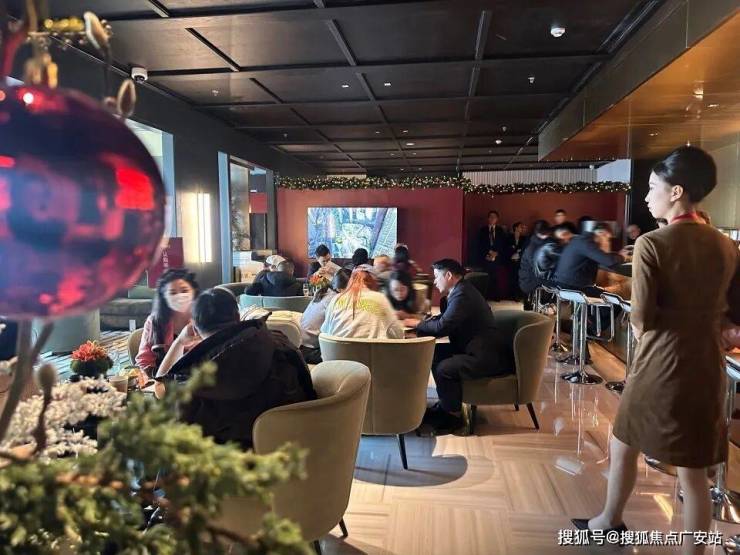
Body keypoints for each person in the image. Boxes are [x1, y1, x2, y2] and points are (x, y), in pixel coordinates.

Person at [573, 146, 740, 555]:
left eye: (652, 188)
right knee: (693, 472)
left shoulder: (652, 243)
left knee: (624, 440)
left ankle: (609, 521)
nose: (647, 197)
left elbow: (642, 316)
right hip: (706, 365)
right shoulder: (726, 245)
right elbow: (732, 314)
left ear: (676, 191)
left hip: (660, 363)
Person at [155, 288, 316, 449]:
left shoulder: (192, 377)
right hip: (291, 447)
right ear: (238, 317)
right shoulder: (279, 343)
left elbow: (159, 387)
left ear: (195, 329)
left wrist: (180, 341)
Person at [404, 259, 513, 434]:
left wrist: (418, 325)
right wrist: (419, 328)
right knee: (434, 353)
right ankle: (447, 405)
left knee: (444, 368)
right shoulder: (460, 291)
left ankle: (453, 417)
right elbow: (444, 320)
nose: (434, 281)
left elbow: (443, 327)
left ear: (448, 275)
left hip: (486, 357)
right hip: (473, 349)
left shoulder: (463, 294)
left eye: (436, 277)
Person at [136, 268, 200, 377]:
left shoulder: (203, 319)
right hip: (163, 381)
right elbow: (144, 362)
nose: (180, 296)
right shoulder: (155, 322)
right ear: (164, 297)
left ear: (194, 292)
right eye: (173, 293)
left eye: (184, 290)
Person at [321, 265, 404, 339]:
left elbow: (325, 331)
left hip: (337, 351)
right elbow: (398, 334)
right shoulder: (380, 298)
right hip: (374, 352)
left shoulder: (336, 299)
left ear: (350, 282)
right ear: (372, 283)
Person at [552, 222, 626, 296]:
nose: (608, 242)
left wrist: (617, 255)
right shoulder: (586, 242)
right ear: (602, 234)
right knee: (612, 298)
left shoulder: (581, 239)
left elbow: (601, 256)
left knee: (607, 294)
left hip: (565, 284)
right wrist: (622, 257)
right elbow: (609, 261)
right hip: (573, 287)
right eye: (608, 239)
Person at [299, 268, 351, 364]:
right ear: (342, 288)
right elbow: (337, 329)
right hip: (312, 350)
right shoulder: (336, 299)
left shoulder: (325, 291)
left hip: (301, 344)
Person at [518, 220, 552, 310]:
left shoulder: (541, 242)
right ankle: (547, 307)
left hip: (533, 276)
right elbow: (538, 267)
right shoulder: (532, 247)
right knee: (557, 282)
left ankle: (548, 306)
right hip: (529, 279)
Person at [477, 210, 509, 300]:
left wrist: (496, 253)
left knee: (496, 277)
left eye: (494, 217)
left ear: (497, 219)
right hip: (485, 258)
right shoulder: (483, 230)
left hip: (497, 258)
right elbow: (479, 244)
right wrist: (486, 254)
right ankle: (485, 296)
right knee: (485, 277)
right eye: (490, 217)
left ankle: (495, 296)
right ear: (488, 218)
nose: (492, 219)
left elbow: (503, 244)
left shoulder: (500, 230)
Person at [507, 222, 529, 300]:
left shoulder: (524, 238)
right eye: (520, 227)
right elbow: (507, 248)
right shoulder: (509, 237)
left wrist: (518, 252)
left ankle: (518, 295)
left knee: (519, 278)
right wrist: (514, 251)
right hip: (510, 261)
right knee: (511, 278)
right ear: (516, 228)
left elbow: (524, 249)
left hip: (520, 262)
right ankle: (511, 295)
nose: (521, 228)